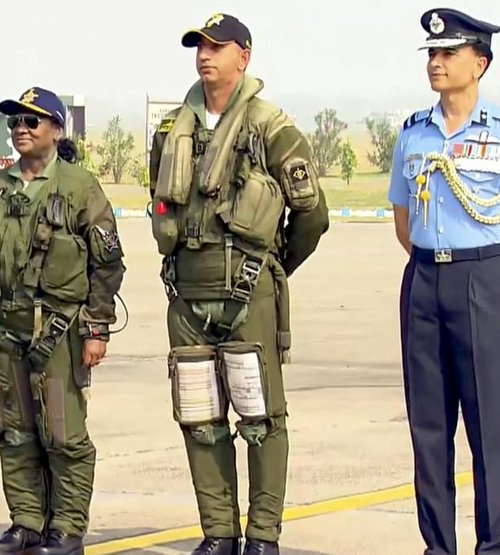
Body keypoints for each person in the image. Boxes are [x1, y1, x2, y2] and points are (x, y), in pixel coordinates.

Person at [148, 14, 329, 555]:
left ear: (243, 57)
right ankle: (219, 533)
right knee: (199, 416)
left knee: (261, 418)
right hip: (186, 296)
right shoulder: (171, 132)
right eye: (199, 47)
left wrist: (272, 269)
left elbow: (312, 215)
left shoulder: (271, 127)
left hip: (250, 295)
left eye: (217, 46)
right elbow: (161, 203)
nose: (205, 55)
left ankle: (263, 536)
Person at [388, 8, 500, 555]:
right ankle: (438, 547)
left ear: (479, 63)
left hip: (486, 279)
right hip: (425, 282)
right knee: (428, 431)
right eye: (432, 54)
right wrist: (436, 267)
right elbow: (403, 222)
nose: (435, 62)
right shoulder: (413, 133)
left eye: (448, 53)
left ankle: (495, 548)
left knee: (489, 431)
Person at [0, 87, 125, 555]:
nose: (21, 129)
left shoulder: (80, 188)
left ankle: (66, 528)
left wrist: (97, 328)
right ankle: (26, 521)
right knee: (14, 433)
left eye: (32, 121)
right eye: (15, 122)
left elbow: (107, 264)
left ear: (57, 130)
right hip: (2, 331)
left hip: (58, 332)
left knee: (63, 434)